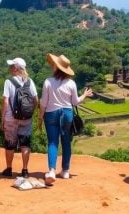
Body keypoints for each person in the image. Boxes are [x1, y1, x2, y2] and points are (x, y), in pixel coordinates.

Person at [38, 53, 92, 185]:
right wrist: (84, 95)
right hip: (67, 113)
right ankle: (65, 171)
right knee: (66, 142)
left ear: (56, 67)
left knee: (52, 142)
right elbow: (75, 102)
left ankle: (51, 170)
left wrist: (40, 118)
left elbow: (43, 103)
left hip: (51, 113)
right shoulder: (71, 83)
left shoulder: (48, 82)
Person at [0, 57, 39, 178]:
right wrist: (31, 112)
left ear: (16, 68)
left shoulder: (9, 82)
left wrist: (2, 119)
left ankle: (9, 169)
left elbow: (5, 102)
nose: (10, 68)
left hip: (11, 118)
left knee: (10, 144)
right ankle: (25, 170)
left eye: (11, 66)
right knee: (25, 144)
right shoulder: (29, 81)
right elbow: (36, 100)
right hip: (26, 118)